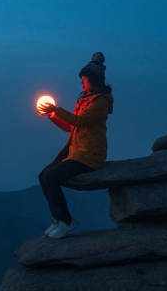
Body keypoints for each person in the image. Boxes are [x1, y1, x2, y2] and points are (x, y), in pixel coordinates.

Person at [37, 52, 114, 239]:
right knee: (44, 175)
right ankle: (58, 219)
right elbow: (70, 127)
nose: (82, 83)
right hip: (75, 152)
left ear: (93, 80)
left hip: (89, 156)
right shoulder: (84, 100)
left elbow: (79, 121)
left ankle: (66, 222)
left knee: (51, 177)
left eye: (84, 80)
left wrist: (56, 109)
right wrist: (52, 115)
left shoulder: (100, 103)